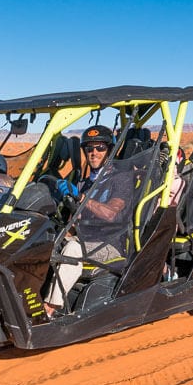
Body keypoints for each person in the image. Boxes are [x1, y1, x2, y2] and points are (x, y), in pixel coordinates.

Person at [44, 125, 133, 317]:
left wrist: (82, 199)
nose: (94, 153)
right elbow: (73, 223)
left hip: (111, 243)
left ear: (110, 150)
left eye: (100, 148)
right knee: (44, 240)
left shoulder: (121, 179)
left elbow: (111, 214)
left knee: (73, 250)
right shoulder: (84, 182)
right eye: (89, 148)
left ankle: (51, 308)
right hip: (85, 239)